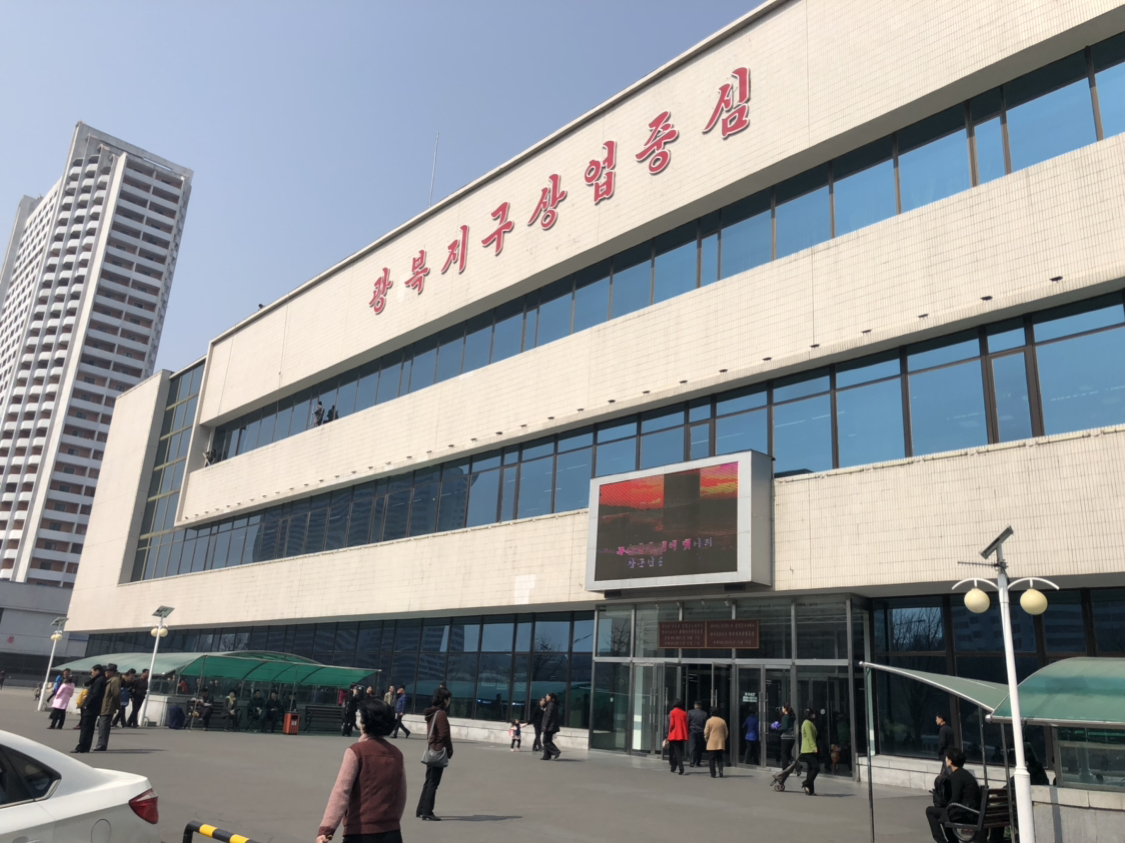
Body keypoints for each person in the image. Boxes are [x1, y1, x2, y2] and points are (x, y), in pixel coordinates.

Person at [317, 697, 407, 843]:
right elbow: (400, 796)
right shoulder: (396, 754)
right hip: (391, 833)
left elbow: (341, 792)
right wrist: (391, 822)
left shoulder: (356, 752)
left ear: (365, 723)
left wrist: (326, 830)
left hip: (359, 832)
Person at [926, 747, 981, 843]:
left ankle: (941, 841)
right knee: (944, 814)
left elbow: (955, 798)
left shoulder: (956, 776)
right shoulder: (965, 774)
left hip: (966, 814)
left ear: (950, 761)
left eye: (947, 758)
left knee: (930, 811)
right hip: (972, 811)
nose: (945, 760)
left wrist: (946, 807)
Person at [416, 687, 453, 821]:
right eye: (448, 699)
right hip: (438, 750)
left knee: (429, 780)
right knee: (433, 782)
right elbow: (444, 734)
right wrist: (449, 749)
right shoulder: (441, 714)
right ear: (444, 700)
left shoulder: (432, 713)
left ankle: (421, 809)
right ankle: (427, 811)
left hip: (431, 749)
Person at [94, 664, 122, 752]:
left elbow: (116, 694)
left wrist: (117, 705)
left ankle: (101, 745)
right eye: (106, 671)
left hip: (108, 706)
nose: (106, 672)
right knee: (103, 726)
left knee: (103, 727)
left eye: (108, 671)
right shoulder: (109, 680)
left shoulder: (115, 680)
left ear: (113, 672)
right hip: (105, 705)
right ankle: (102, 744)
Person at [704, 707, 729, 778]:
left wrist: (706, 739)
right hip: (720, 742)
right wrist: (723, 739)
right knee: (720, 758)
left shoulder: (709, 721)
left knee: (712, 759)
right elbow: (726, 732)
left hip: (711, 742)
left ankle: (713, 773)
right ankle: (721, 771)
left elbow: (706, 732)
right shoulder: (722, 721)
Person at [799, 708, 819, 796]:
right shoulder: (807, 723)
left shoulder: (810, 723)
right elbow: (810, 736)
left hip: (809, 749)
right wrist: (814, 747)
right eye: (813, 714)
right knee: (816, 767)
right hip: (808, 749)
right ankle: (806, 783)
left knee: (810, 769)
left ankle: (810, 790)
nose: (814, 715)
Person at [667, 699, 688, 775]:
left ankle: (681, 768)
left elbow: (672, 724)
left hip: (674, 734)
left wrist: (669, 732)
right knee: (678, 751)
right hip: (681, 734)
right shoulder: (684, 713)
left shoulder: (672, 712)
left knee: (676, 752)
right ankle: (673, 767)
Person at [541, 692, 561, 760]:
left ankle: (556, 751)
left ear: (551, 698)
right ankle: (546, 756)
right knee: (548, 740)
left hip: (550, 726)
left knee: (545, 741)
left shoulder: (551, 705)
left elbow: (549, 716)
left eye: (548, 697)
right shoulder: (550, 705)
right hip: (551, 726)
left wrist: (545, 725)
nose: (546, 698)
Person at [688, 700, 708, 767]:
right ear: (701, 706)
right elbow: (706, 724)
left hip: (692, 731)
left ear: (695, 705)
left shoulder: (690, 712)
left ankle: (692, 761)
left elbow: (688, 721)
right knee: (699, 747)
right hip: (701, 731)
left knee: (692, 746)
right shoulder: (704, 713)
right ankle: (698, 762)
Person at [778, 703, 797, 769]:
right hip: (792, 738)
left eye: (782, 708)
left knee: (783, 754)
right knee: (788, 754)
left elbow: (785, 727)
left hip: (786, 737)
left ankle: (785, 768)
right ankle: (798, 766)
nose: (782, 709)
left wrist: (778, 728)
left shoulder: (785, 717)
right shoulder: (791, 717)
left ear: (785, 709)